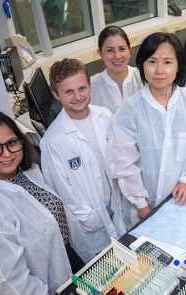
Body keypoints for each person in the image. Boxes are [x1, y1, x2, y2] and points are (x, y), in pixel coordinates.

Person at [0, 111, 94, 295]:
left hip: (67, 259)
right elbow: (7, 281)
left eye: (12, 143)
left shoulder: (25, 174)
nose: (6, 153)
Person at [109, 32, 186, 229]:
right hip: (141, 208)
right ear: (142, 66)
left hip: (180, 198)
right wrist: (141, 203)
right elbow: (124, 164)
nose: (159, 70)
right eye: (151, 62)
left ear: (178, 66)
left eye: (167, 62)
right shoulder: (130, 110)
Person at [40, 58, 126, 255]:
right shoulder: (53, 141)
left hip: (117, 204)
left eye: (82, 88)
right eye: (68, 92)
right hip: (92, 222)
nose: (77, 96)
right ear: (56, 95)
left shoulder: (104, 116)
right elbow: (60, 190)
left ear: (89, 86)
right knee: (107, 273)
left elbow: (120, 156)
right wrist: (89, 218)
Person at [90, 26, 144, 114]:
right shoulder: (91, 86)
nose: (117, 56)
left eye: (122, 49)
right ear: (100, 54)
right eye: (110, 50)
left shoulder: (144, 77)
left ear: (129, 50)